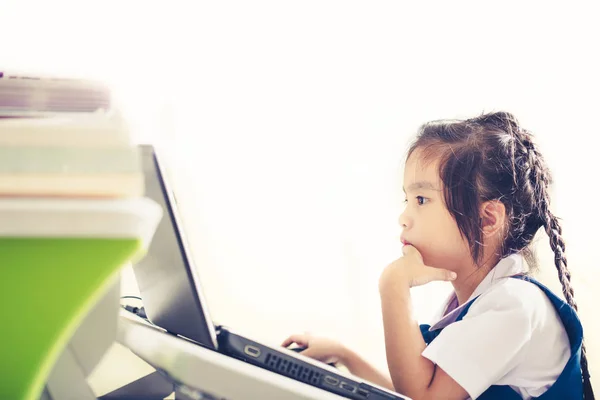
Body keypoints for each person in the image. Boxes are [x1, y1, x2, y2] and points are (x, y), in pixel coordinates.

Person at [282, 111, 593, 399]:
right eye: (406, 199)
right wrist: (343, 354)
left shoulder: (515, 305)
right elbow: (415, 388)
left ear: (487, 219)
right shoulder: (470, 306)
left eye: (421, 199)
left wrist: (393, 285)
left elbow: (422, 396)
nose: (404, 217)